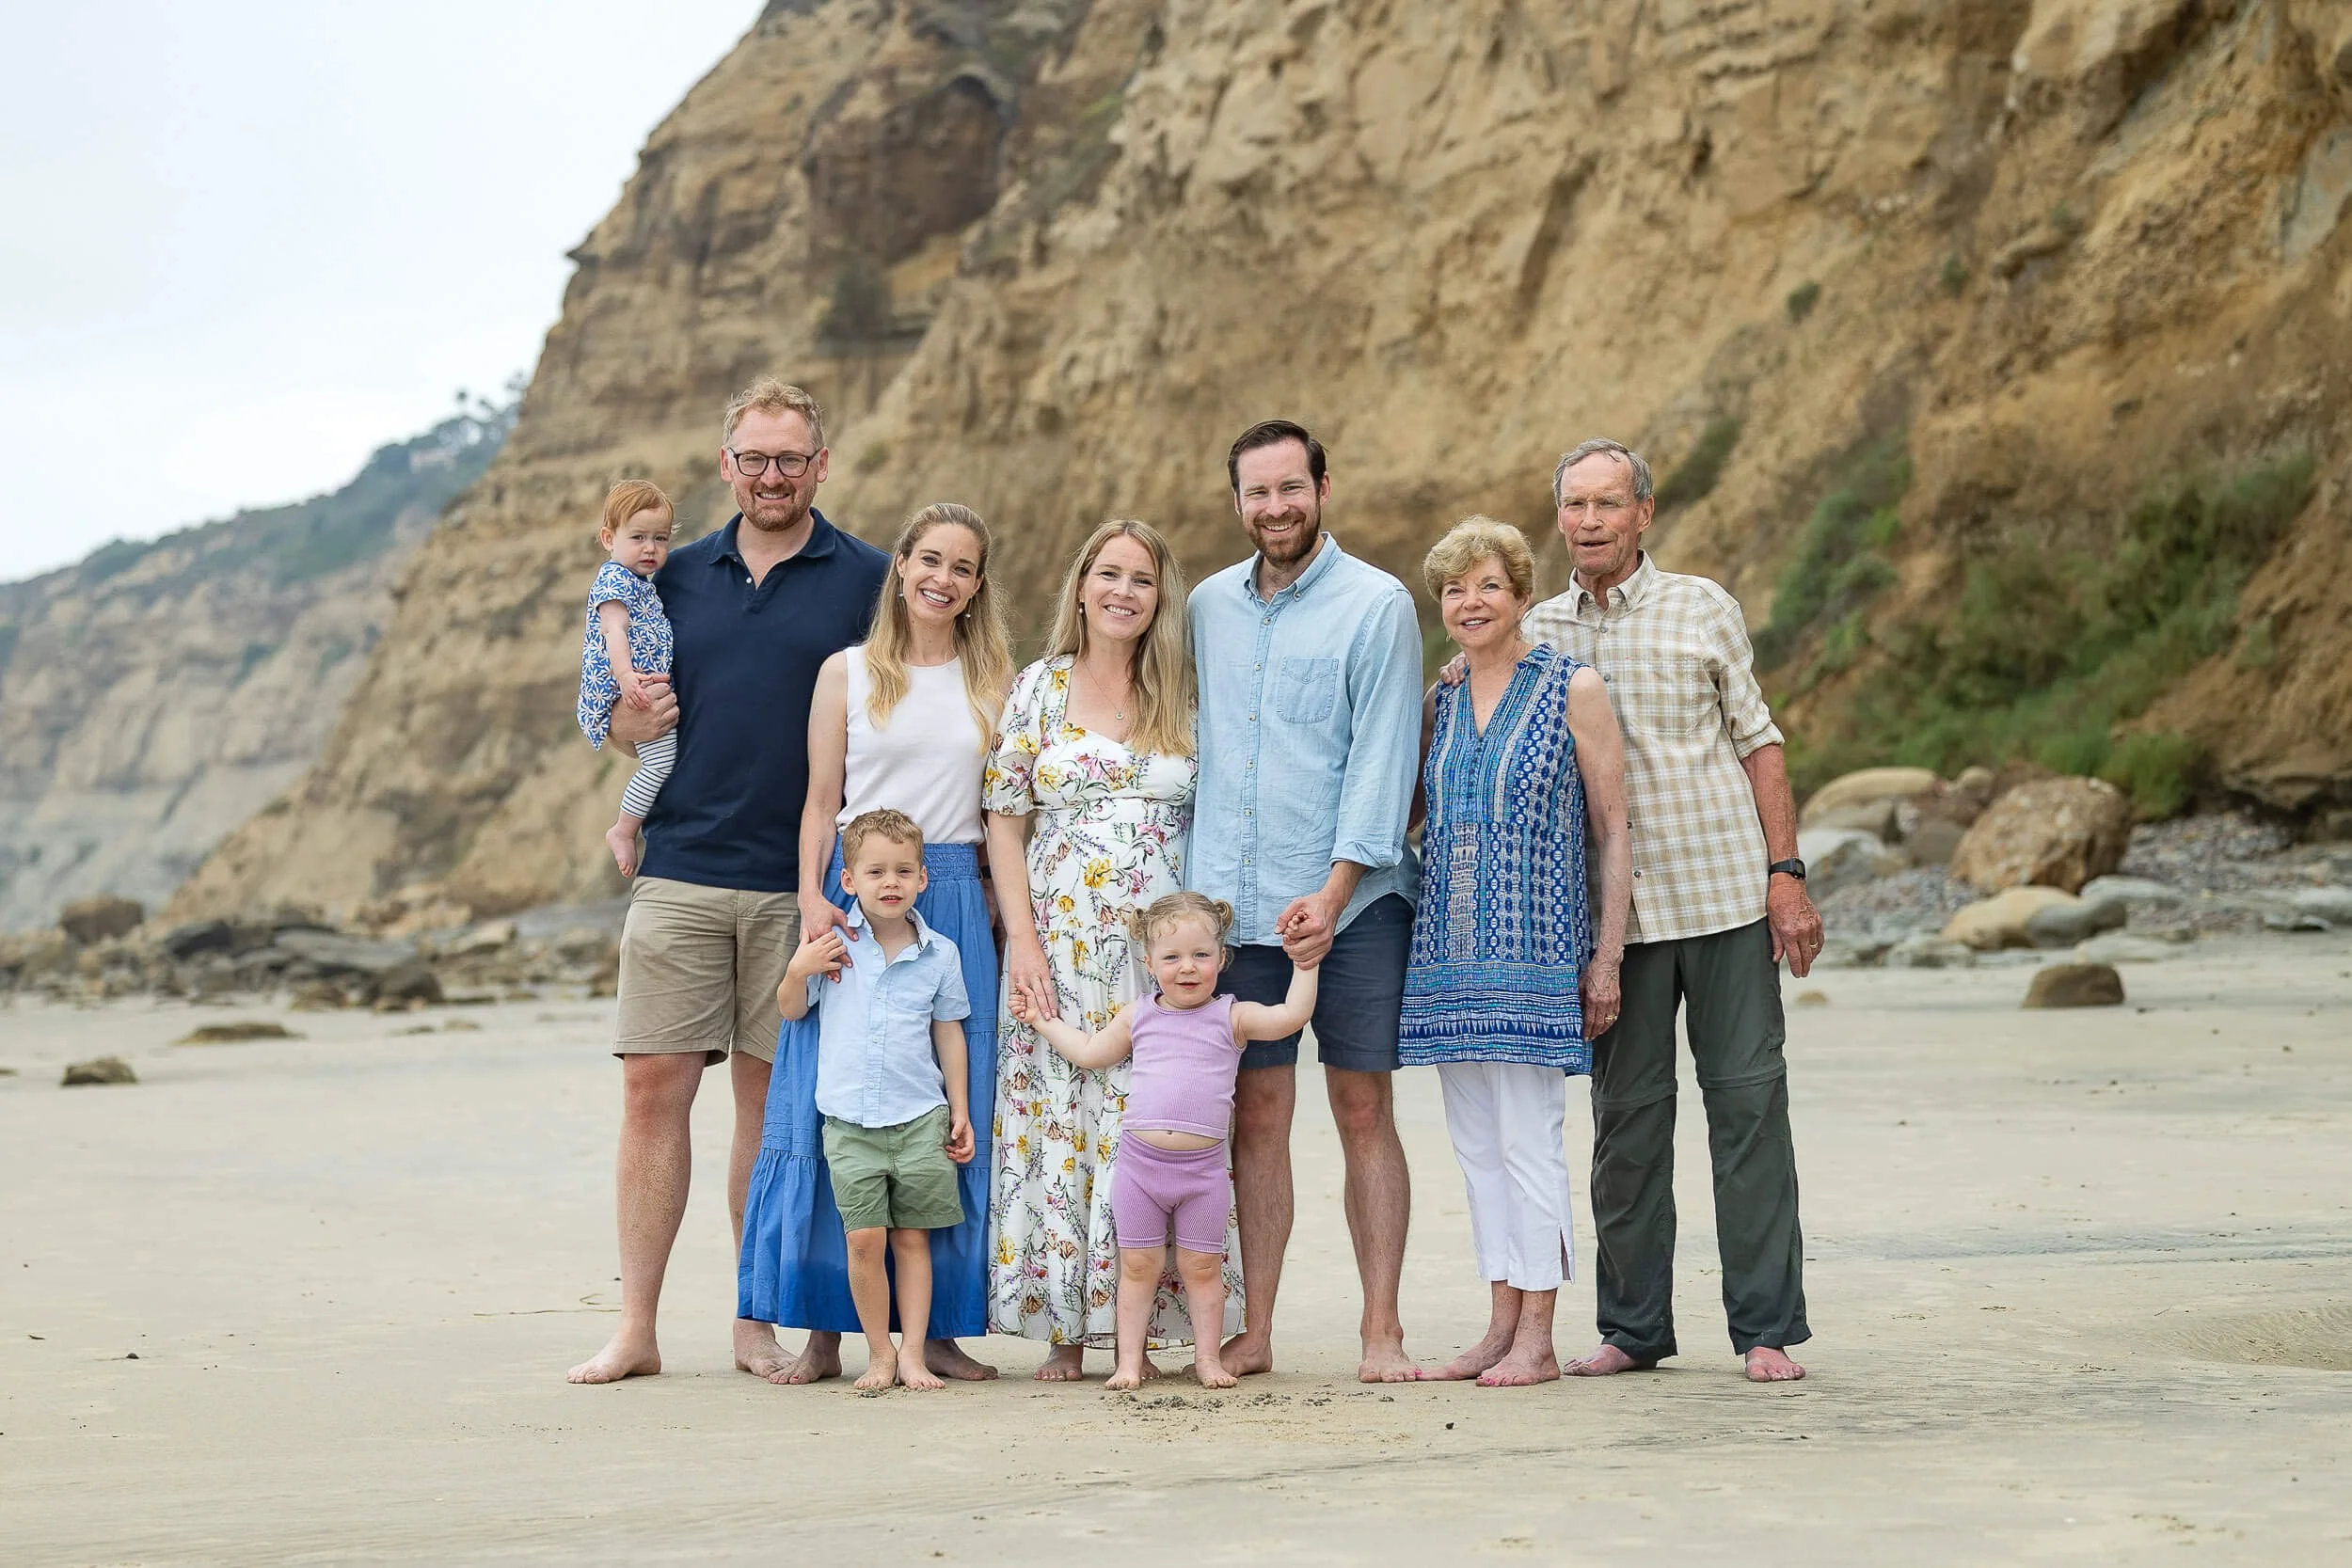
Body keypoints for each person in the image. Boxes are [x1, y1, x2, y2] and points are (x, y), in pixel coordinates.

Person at [568, 379, 887, 1386]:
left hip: (804, 884)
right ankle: (636, 1325)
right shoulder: (670, 572)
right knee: (650, 1088)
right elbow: (614, 704)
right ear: (725, 464)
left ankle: (753, 1319)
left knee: (767, 1105)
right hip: (682, 869)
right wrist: (618, 726)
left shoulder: (867, 577)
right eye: (753, 457)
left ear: (821, 465)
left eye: (791, 457)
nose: (771, 475)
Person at [1527, 437, 1823, 1384]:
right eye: (1574, 505)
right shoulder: (1536, 631)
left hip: (1724, 894)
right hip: (1612, 922)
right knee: (1625, 1125)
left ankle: (1765, 1327)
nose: (1588, 522)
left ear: (1643, 513)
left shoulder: (1702, 606)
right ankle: (1632, 1326)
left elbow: (1760, 740)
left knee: (1747, 1111)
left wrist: (1786, 873)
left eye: (1606, 504)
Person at [739, 501, 1011, 1386]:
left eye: (962, 567)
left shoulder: (994, 678)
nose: (943, 578)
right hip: (853, 892)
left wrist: (1007, 910)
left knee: (943, 1107)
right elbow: (821, 801)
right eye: (929, 558)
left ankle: (935, 1333)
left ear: (976, 587)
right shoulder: (847, 672)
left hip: (954, 895)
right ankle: (825, 1330)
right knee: (834, 1100)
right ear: (901, 565)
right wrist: (813, 901)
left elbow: (1007, 812)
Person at [1187, 419, 1424, 1383]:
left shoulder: (1379, 604)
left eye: (1291, 487)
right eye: (1256, 492)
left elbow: (1383, 758)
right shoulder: (1205, 604)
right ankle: (1257, 1328)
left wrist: (1332, 891)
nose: (1275, 507)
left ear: (1324, 487)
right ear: (1236, 500)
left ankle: (1381, 1328)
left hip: (1354, 905)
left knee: (1362, 1106)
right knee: (1256, 1117)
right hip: (1233, 912)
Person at [983, 519, 1242, 1379]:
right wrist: (1021, 939)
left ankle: (1159, 1325)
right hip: (1057, 934)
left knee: (1156, 1116)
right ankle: (1066, 1327)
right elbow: (1004, 822)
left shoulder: (1187, 692)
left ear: (1160, 598)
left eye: (1142, 579)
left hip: (1165, 950)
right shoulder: (1038, 688)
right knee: (1062, 1109)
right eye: (1109, 574)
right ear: (1082, 584)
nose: (1123, 591)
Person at [1404, 517, 1631, 1389]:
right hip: (1448, 954)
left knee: (1533, 1142)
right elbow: (1412, 816)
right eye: (1456, 589)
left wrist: (1604, 959)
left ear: (1523, 596)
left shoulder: (1573, 688)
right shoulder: (1444, 699)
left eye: (1488, 586)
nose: (1471, 602)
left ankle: (1540, 1331)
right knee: (1476, 1148)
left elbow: (1613, 831)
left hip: (1538, 950)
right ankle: (1498, 1323)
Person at [1009, 892, 1317, 1390]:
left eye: (1200, 955)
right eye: (1171, 957)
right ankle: (1128, 1361)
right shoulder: (1139, 1015)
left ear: (1221, 958)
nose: (1187, 968)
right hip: (1140, 1168)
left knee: (1201, 1267)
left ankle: (1208, 1360)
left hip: (1203, 1173)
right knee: (1137, 1266)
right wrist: (1043, 1021)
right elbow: (1090, 1052)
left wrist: (1306, 963)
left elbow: (1290, 1017)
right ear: (1149, 962)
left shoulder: (1232, 1016)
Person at [779, 808, 977, 1392]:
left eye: (903, 871)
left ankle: (913, 1353)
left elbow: (950, 1032)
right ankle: (879, 1353)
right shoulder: (831, 947)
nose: (890, 883)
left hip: (920, 1117)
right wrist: (797, 968)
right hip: (848, 1121)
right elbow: (792, 1010)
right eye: (875, 872)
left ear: (922, 880)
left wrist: (958, 1107)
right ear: (848, 880)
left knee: (914, 1239)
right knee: (864, 1239)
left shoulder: (939, 954)